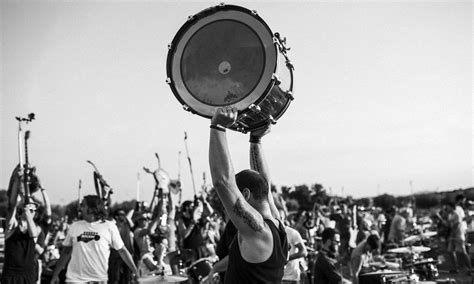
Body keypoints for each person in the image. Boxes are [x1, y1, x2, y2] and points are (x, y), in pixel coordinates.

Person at [208, 107, 288, 283]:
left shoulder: (258, 230)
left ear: (244, 194)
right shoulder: (277, 222)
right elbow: (264, 182)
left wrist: (218, 127)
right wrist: (255, 140)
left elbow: (223, 183)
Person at [50, 195, 138, 283]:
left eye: (83, 205)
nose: (80, 208)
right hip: (75, 280)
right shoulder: (75, 226)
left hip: (99, 280)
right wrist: (55, 275)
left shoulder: (109, 226)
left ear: (92, 209)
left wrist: (135, 271)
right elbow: (66, 253)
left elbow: (122, 251)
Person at [1, 166, 41, 284]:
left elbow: (32, 233)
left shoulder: (37, 228)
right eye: (29, 208)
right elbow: (12, 205)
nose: (30, 210)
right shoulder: (13, 225)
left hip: (28, 275)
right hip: (10, 275)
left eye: (33, 210)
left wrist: (27, 213)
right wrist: (18, 180)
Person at [447, 201, 472, 274]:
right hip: (452, 236)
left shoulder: (456, 214)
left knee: (463, 252)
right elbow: (450, 225)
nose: (447, 208)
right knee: (450, 251)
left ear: (451, 207)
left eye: (448, 207)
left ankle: (470, 268)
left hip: (458, 235)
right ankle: (455, 268)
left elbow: (456, 225)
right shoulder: (450, 215)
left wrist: (451, 235)